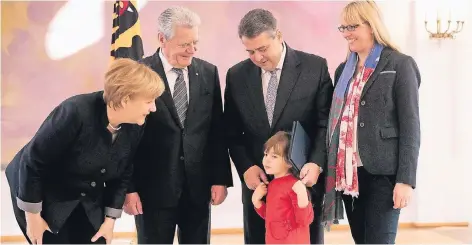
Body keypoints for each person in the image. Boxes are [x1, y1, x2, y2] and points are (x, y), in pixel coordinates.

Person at [4, 58, 165, 244]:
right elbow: (31, 163)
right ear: (126, 99)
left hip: (86, 194)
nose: (153, 108)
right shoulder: (74, 112)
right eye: (149, 101)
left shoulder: (135, 124)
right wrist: (33, 220)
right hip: (44, 192)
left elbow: (124, 171)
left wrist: (109, 221)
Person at [123, 6, 233, 244]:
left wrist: (220, 178)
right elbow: (127, 138)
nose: (192, 50)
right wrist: (128, 188)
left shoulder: (208, 72)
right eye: (184, 44)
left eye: (195, 42)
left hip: (198, 188)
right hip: (151, 191)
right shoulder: (138, 72)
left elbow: (216, 130)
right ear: (162, 39)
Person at [224, 8, 333, 244]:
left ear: (279, 36)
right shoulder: (236, 75)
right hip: (259, 186)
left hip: (302, 184)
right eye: (250, 51)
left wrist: (316, 163)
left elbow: (325, 124)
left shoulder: (315, 68)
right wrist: (246, 167)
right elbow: (231, 132)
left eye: (263, 49)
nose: (258, 58)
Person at [322, 1, 421, 244]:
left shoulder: (400, 64)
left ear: (371, 25)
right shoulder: (343, 70)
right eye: (342, 27)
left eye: (352, 26)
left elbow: (410, 126)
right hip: (350, 176)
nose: (346, 33)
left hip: (383, 175)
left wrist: (405, 180)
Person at [252, 131, 314, 244]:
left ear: (289, 162)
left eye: (274, 156)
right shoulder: (272, 184)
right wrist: (256, 201)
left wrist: (302, 195)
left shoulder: (295, 185)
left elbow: (304, 220)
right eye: (266, 154)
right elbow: (271, 217)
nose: (267, 160)